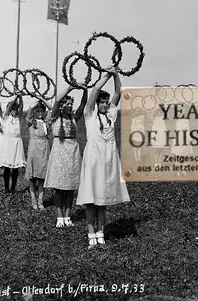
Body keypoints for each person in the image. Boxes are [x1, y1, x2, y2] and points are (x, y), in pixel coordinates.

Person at [76, 67, 130, 249]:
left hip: (108, 160)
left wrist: (116, 74)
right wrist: (106, 73)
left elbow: (118, 92)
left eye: (107, 103)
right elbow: (94, 92)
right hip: (94, 160)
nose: (106, 105)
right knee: (91, 199)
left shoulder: (111, 116)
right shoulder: (89, 114)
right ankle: (91, 235)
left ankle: (101, 234)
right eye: (103, 102)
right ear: (96, 103)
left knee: (103, 199)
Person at [44, 85, 87, 227]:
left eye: (71, 104)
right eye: (67, 104)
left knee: (70, 187)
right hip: (59, 151)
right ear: (62, 106)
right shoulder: (55, 116)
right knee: (59, 187)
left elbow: (82, 105)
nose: (70, 106)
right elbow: (56, 102)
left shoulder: (74, 117)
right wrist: (69, 88)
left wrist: (85, 90)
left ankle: (68, 216)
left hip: (73, 151)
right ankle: (59, 217)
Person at [0, 93, 26, 193]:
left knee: (15, 167)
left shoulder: (18, 118)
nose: (14, 111)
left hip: (17, 144)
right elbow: (9, 107)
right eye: (13, 109)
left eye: (16, 109)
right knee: (7, 167)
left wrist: (20, 97)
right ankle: (6, 188)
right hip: (8, 144)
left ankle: (13, 188)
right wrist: (15, 97)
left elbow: (21, 106)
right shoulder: (6, 118)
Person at [25, 98, 52, 210]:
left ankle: (40, 201)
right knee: (32, 178)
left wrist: (42, 100)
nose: (40, 113)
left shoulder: (46, 122)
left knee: (42, 178)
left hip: (44, 149)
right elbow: (30, 109)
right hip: (34, 148)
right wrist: (37, 102)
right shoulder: (31, 122)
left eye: (41, 111)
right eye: (38, 111)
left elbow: (51, 108)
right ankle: (33, 201)